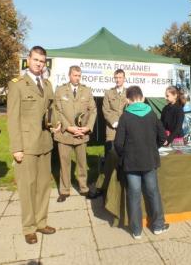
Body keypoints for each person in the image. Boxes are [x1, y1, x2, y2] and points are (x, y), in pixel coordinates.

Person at [7, 46, 57, 244]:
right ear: (28, 59)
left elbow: (51, 111)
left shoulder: (47, 83)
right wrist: (16, 148)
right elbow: (12, 118)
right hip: (27, 145)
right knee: (28, 187)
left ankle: (41, 222)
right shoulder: (17, 84)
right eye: (36, 60)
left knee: (44, 186)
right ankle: (29, 227)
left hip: (45, 142)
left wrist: (56, 123)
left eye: (42, 61)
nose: (39, 64)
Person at [114, 86, 169, 239]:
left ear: (127, 100)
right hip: (149, 160)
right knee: (153, 193)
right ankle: (158, 226)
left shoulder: (125, 117)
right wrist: (153, 148)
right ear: (143, 98)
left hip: (131, 163)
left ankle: (136, 231)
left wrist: (124, 155)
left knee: (134, 195)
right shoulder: (151, 114)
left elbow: (118, 143)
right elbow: (163, 137)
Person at [54, 65, 97, 201]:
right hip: (65, 133)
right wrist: (68, 127)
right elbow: (57, 111)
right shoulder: (60, 90)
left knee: (82, 163)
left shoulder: (86, 91)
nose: (77, 78)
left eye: (79, 76)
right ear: (69, 75)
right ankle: (64, 190)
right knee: (65, 163)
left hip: (81, 133)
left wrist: (88, 127)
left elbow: (93, 110)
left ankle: (84, 188)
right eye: (75, 75)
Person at [88, 69, 128, 199]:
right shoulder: (108, 93)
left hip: (126, 129)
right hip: (112, 130)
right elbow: (105, 110)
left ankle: (122, 184)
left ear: (124, 78)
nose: (118, 79)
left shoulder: (129, 93)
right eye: (116, 77)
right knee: (111, 157)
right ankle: (105, 186)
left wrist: (124, 123)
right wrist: (114, 122)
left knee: (125, 157)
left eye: (120, 77)